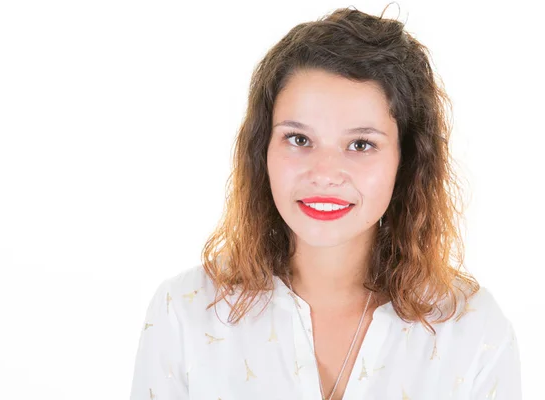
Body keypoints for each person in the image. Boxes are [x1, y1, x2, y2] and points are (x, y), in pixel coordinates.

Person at [129, 6, 522, 400]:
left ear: (407, 160)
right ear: (261, 148)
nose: (324, 173)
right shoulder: (183, 312)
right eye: (299, 139)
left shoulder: (473, 332)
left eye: (361, 144)